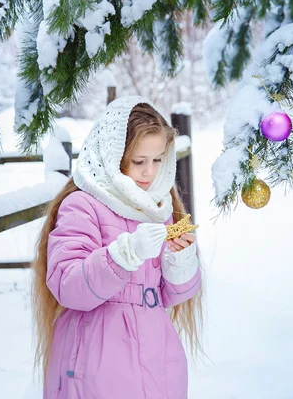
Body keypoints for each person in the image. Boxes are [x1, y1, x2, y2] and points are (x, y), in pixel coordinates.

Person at [31, 96, 203, 399]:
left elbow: (167, 295)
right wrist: (123, 255)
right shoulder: (82, 205)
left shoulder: (156, 207)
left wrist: (179, 260)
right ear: (112, 156)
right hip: (99, 357)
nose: (149, 172)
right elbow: (68, 284)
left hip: (158, 357)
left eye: (158, 159)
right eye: (139, 161)